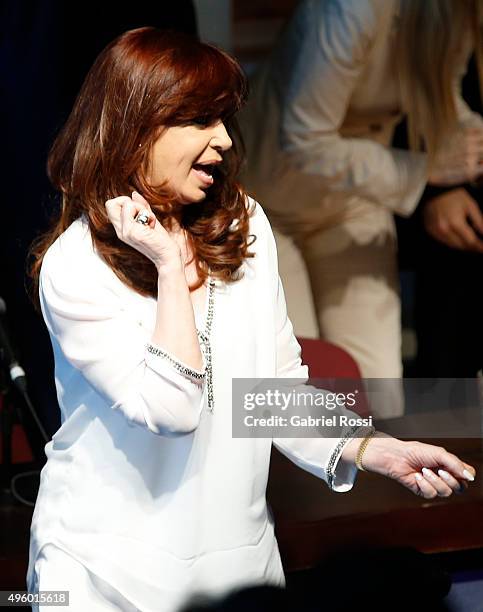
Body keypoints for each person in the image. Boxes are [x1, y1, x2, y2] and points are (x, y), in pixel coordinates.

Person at [27, 28, 476, 612]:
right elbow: (172, 409)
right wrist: (167, 264)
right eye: (199, 121)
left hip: (238, 562)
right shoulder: (76, 263)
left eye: (223, 121)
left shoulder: (242, 223)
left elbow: (272, 391)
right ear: (135, 129)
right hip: (103, 574)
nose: (221, 142)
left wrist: (370, 447)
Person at [238, 0, 483, 393]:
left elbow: (442, 92)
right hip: (271, 200)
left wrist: (469, 136)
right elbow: (304, 140)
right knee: (297, 381)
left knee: (380, 386)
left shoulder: (459, 15)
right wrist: (424, 169)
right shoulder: (355, 10)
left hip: (355, 199)